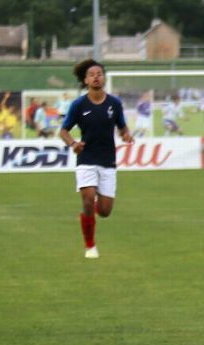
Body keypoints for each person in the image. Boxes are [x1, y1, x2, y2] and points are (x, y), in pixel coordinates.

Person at [59, 59, 133, 260]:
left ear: (104, 77)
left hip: (108, 160)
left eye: (99, 73)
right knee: (88, 199)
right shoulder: (78, 105)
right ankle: (90, 245)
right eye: (92, 74)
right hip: (86, 159)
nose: (96, 77)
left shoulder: (114, 104)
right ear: (86, 80)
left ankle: (88, 215)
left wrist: (126, 134)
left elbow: (122, 126)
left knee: (105, 211)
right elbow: (63, 131)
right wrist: (73, 144)